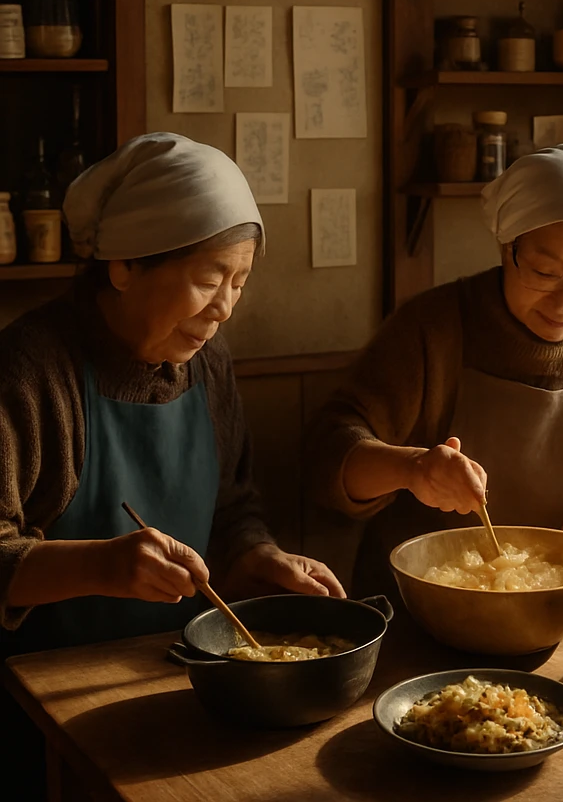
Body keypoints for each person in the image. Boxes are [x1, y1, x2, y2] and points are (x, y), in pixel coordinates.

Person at [0, 133, 343, 796]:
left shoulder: (206, 363)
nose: (224, 308)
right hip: (45, 708)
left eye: (239, 282)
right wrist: (101, 564)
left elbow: (234, 510)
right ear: (124, 265)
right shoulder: (31, 370)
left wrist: (259, 557)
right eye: (209, 278)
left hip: (181, 681)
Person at [308, 145, 563, 595]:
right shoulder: (431, 329)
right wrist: (411, 468)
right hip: (428, 604)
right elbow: (325, 456)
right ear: (508, 246)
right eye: (545, 272)